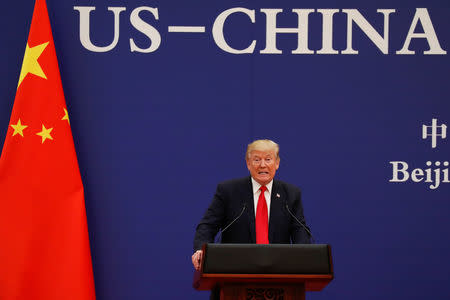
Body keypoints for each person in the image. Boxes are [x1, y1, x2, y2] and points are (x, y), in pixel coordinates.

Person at [192, 139, 311, 271]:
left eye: (268, 159)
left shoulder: (291, 194)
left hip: (278, 272)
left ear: (277, 163)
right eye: (256, 159)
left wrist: (304, 254)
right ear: (248, 164)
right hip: (234, 271)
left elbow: (300, 231)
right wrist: (200, 249)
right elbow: (207, 226)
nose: (262, 165)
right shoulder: (229, 191)